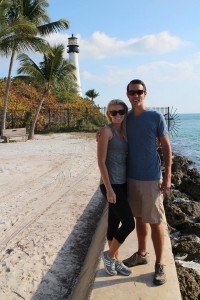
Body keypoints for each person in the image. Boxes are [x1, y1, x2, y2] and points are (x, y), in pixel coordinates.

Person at [122, 79, 172, 286]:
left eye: (139, 92)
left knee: (155, 221)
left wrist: (167, 176)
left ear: (145, 93)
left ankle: (160, 264)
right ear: (127, 95)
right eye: (132, 92)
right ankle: (142, 253)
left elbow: (167, 147)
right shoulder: (126, 118)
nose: (136, 95)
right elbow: (113, 131)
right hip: (131, 177)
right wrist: (101, 133)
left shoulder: (155, 116)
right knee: (139, 219)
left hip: (151, 178)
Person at [97, 99, 135, 276]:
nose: (117, 115)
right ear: (108, 114)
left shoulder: (126, 131)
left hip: (123, 183)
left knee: (114, 222)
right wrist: (109, 189)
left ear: (125, 113)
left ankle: (116, 261)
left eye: (121, 112)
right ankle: (110, 255)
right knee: (129, 223)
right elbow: (101, 162)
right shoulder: (106, 132)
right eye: (113, 112)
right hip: (111, 185)